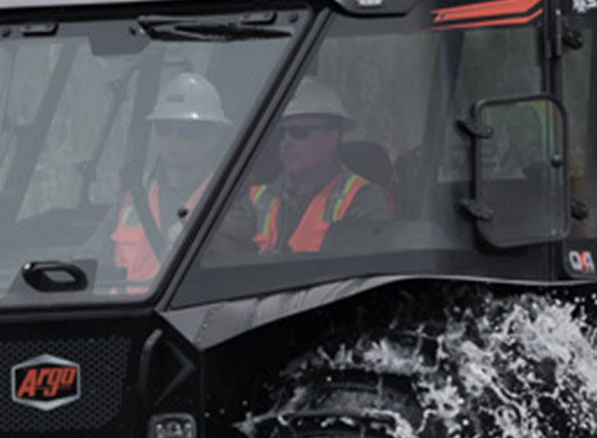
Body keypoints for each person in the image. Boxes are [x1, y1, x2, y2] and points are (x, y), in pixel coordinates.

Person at [111, 72, 230, 291]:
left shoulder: (227, 202)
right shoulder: (134, 199)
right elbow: (90, 257)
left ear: (212, 138)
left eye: (186, 131)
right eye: (164, 129)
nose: (172, 139)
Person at [248, 78, 392, 254]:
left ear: (331, 137)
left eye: (298, 132)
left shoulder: (362, 198)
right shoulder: (255, 197)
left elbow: (358, 272)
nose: (286, 142)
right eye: (280, 134)